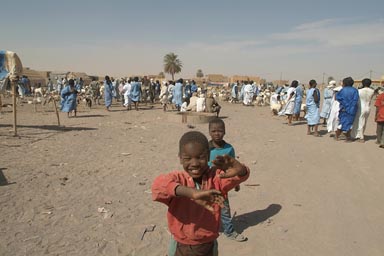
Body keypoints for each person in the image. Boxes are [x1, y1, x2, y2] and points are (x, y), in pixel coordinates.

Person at [152, 131, 250, 256]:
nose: (194, 163)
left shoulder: (216, 177)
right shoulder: (177, 179)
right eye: (188, 158)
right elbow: (157, 187)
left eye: (200, 157)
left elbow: (239, 176)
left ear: (208, 156)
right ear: (180, 158)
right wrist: (191, 193)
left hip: (208, 243)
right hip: (181, 245)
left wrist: (241, 169)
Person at [208, 118, 247, 242]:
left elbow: (233, 168)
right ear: (209, 132)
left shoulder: (229, 149)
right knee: (205, 208)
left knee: (224, 209)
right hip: (207, 182)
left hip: (223, 184)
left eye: (220, 131)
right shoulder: (206, 148)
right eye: (213, 131)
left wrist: (236, 183)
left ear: (224, 132)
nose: (217, 134)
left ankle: (229, 232)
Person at [351, 78, 375, 142]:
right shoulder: (372, 91)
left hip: (361, 107)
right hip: (367, 107)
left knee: (359, 122)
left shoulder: (359, 91)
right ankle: (360, 134)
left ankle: (359, 136)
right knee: (364, 122)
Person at [335, 77, 359, 142]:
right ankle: (348, 138)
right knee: (349, 124)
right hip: (352, 109)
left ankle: (337, 136)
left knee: (342, 123)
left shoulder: (342, 90)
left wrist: (344, 103)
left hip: (343, 109)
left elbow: (337, 97)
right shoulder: (355, 90)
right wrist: (350, 106)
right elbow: (355, 100)